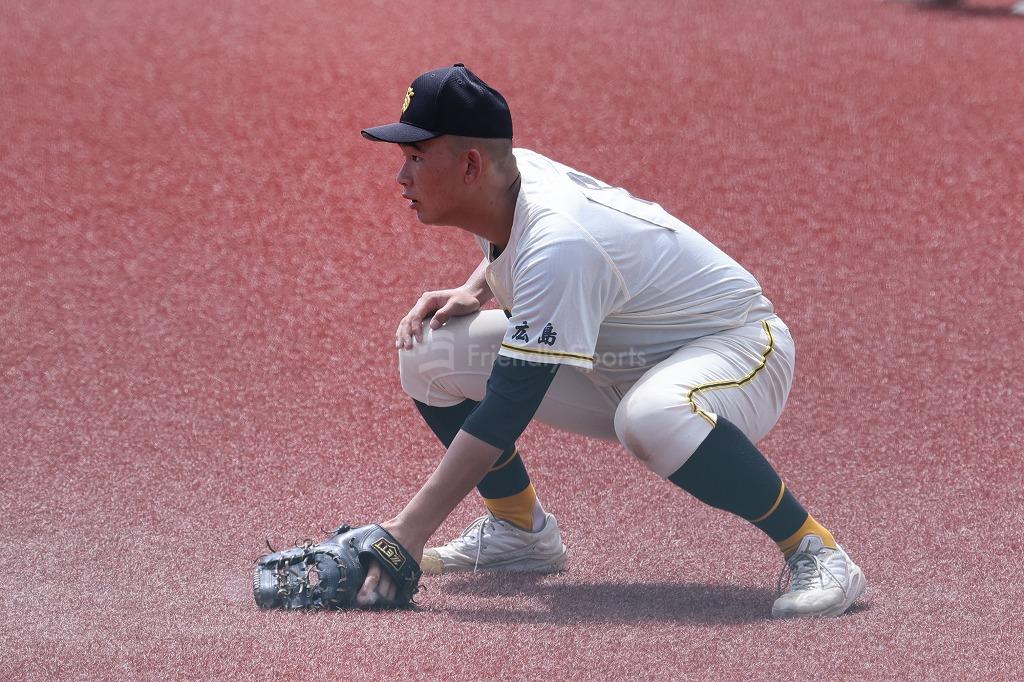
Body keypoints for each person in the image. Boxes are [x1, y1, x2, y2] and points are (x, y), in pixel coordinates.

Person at [355, 64, 866, 618]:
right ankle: (519, 532)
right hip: (616, 360)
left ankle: (816, 548)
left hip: (736, 349)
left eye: (416, 157)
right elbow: (517, 244)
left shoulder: (559, 241)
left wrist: (405, 533)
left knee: (652, 416)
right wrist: (475, 289)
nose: (401, 177)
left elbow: (506, 407)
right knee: (430, 350)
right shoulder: (505, 179)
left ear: (471, 164)